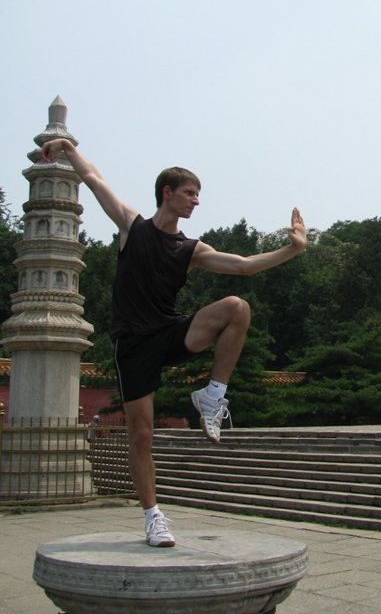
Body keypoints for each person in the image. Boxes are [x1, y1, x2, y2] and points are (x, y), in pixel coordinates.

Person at [41, 138, 307, 548]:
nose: (196, 201)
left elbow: (245, 267)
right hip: (133, 344)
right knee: (141, 434)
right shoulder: (132, 226)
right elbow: (93, 179)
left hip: (170, 332)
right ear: (167, 192)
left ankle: (212, 396)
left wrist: (293, 248)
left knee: (237, 308)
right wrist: (67, 147)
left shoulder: (190, 249)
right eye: (190, 193)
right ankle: (153, 517)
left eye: (198, 195)